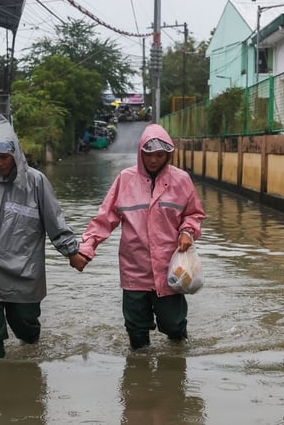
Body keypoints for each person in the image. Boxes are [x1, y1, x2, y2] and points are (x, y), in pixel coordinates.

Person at [70, 124, 205, 350]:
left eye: (160, 155)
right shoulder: (125, 179)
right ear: (140, 152)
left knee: (174, 326)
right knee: (136, 331)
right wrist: (86, 248)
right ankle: (138, 377)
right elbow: (104, 218)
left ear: (168, 155)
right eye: (148, 155)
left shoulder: (181, 180)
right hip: (134, 271)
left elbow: (193, 214)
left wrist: (187, 231)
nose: (153, 160)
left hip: (169, 271)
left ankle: (176, 366)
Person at [0, 115, 81, 358]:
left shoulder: (36, 183)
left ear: (15, 155)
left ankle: (31, 355)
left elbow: (54, 221)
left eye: (4, 158)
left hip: (22, 271)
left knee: (26, 327)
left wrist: (72, 251)